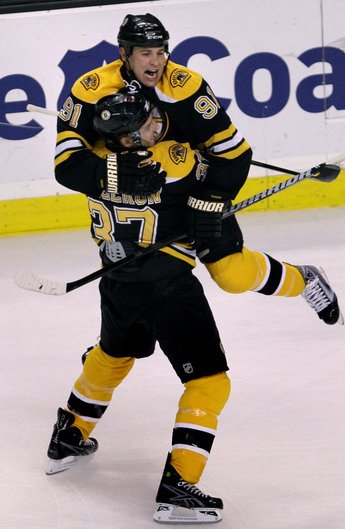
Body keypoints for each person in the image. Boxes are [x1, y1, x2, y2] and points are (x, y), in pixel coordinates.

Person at [54, 12, 343, 325]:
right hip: (138, 205)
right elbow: (66, 164)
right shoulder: (91, 89)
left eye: (161, 52)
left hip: (191, 187)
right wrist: (114, 172)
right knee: (136, 292)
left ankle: (304, 279)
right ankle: (111, 348)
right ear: (124, 54)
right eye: (146, 54)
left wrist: (210, 201)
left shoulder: (185, 86)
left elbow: (234, 153)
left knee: (232, 276)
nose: (156, 62)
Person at [47, 90, 231, 524]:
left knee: (111, 358)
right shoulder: (173, 163)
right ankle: (177, 489)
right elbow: (213, 178)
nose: (157, 123)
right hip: (168, 288)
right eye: (148, 122)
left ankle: (70, 435)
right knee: (210, 384)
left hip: (118, 282)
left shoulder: (96, 165)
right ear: (129, 139)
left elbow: (72, 163)